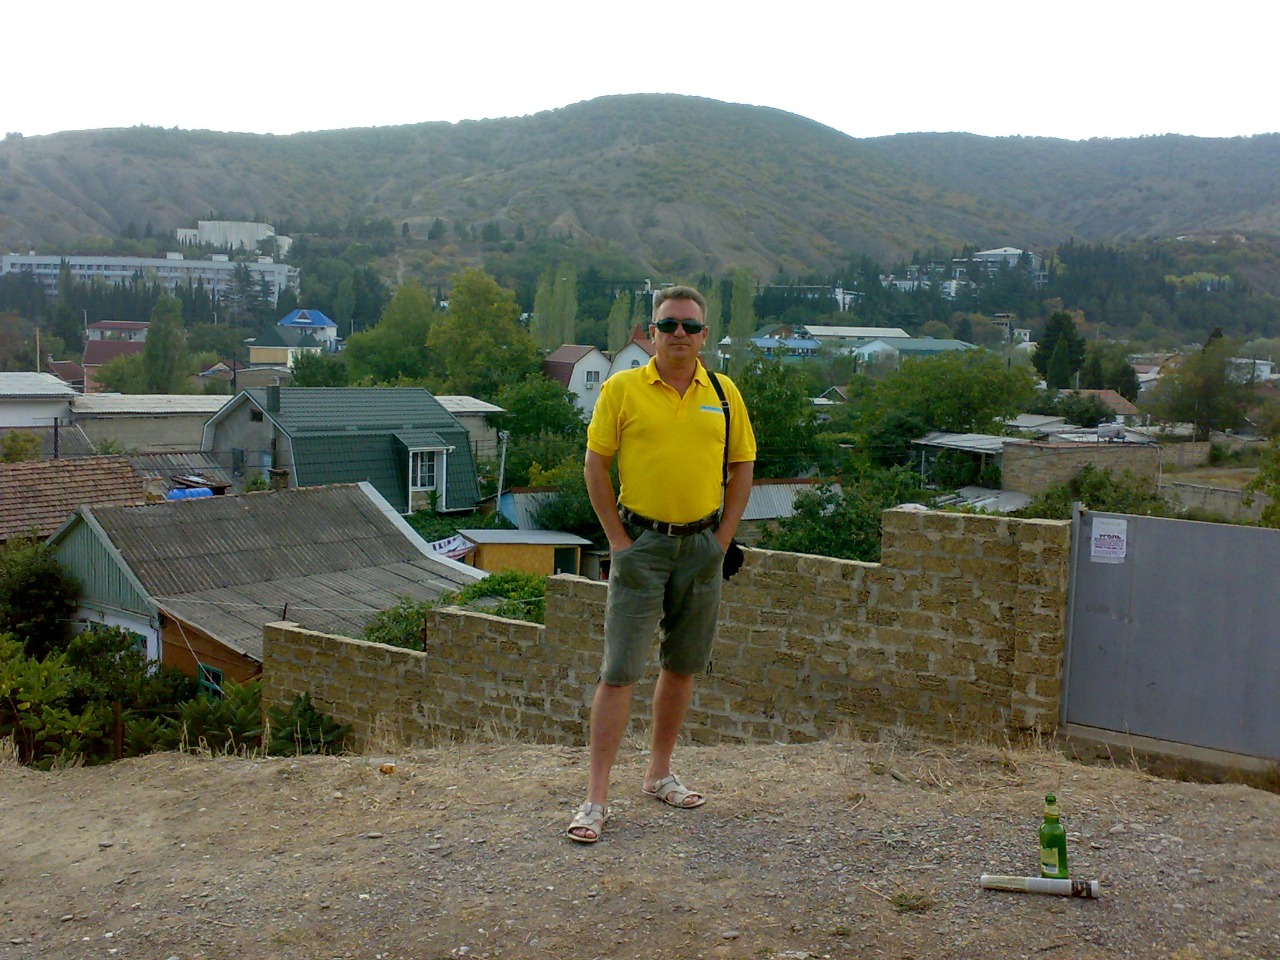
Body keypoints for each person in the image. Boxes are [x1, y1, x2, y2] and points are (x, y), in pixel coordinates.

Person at [567, 284, 756, 843]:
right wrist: (618, 541)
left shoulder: (723, 393)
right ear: (651, 333)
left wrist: (722, 540)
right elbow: (595, 466)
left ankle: (659, 774)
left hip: (701, 548)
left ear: (704, 336)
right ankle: (595, 799)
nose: (679, 334)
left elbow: (743, 466)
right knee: (620, 671)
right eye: (668, 324)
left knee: (682, 665)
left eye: (690, 326)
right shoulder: (622, 388)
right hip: (642, 546)